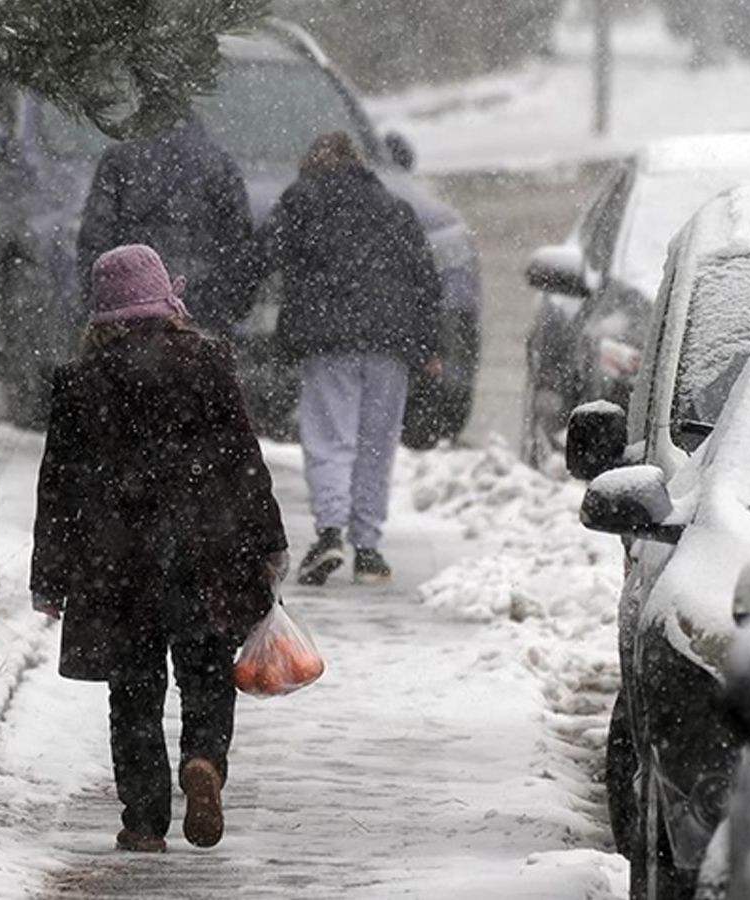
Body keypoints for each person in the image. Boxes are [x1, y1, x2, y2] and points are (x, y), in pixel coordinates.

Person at [30, 244, 288, 853]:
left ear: (101, 311)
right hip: (204, 551)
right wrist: (267, 541)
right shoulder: (207, 363)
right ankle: (203, 759)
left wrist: (50, 574)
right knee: (205, 672)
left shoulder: (80, 382)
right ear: (166, 300)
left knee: (134, 689)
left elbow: (58, 485)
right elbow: (243, 461)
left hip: (116, 561)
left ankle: (144, 820)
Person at [251, 132, 445, 587]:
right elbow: (425, 280)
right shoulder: (394, 207)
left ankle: (331, 532)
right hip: (391, 341)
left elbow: (262, 256)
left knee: (330, 440)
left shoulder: (302, 200)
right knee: (376, 445)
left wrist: (229, 304)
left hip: (328, 338)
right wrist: (431, 344)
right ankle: (370, 549)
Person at [77, 113, 255, 330]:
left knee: (139, 360)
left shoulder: (119, 159)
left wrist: (98, 300)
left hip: (133, 304)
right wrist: (233, 304)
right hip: (204, 301)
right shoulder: (220, 162)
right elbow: (240, 240)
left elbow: (95, 235)